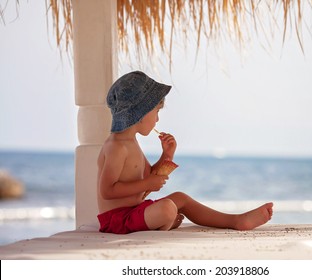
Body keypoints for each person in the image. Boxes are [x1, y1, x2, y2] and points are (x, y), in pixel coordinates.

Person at [97, 71, 274, 234]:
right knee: (167, 208)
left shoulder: (131, 142)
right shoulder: (116, 147)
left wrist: (167, 155)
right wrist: (147, 184)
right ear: (141, 112)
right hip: (117, 220)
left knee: (180, 198)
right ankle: (164, 222)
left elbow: (149, 177)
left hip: (136, 212)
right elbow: (107, 191)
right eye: (156, 111)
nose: (157, 119)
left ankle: (235, 220)